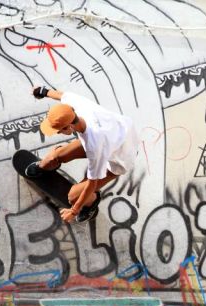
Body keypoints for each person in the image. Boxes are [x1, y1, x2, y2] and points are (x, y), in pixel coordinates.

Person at [31, 85, 138, 223]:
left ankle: (92, 203)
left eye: (58, 131)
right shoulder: (76, 106)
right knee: (55, 156)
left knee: (74, 197)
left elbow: (92, 183)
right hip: (118, 132)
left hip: (120, 158)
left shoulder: (95, 145)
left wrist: (73, 210)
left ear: (69, 127)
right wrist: (42, 91)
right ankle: (44, 167)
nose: (57, 133)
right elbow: (61, 95)